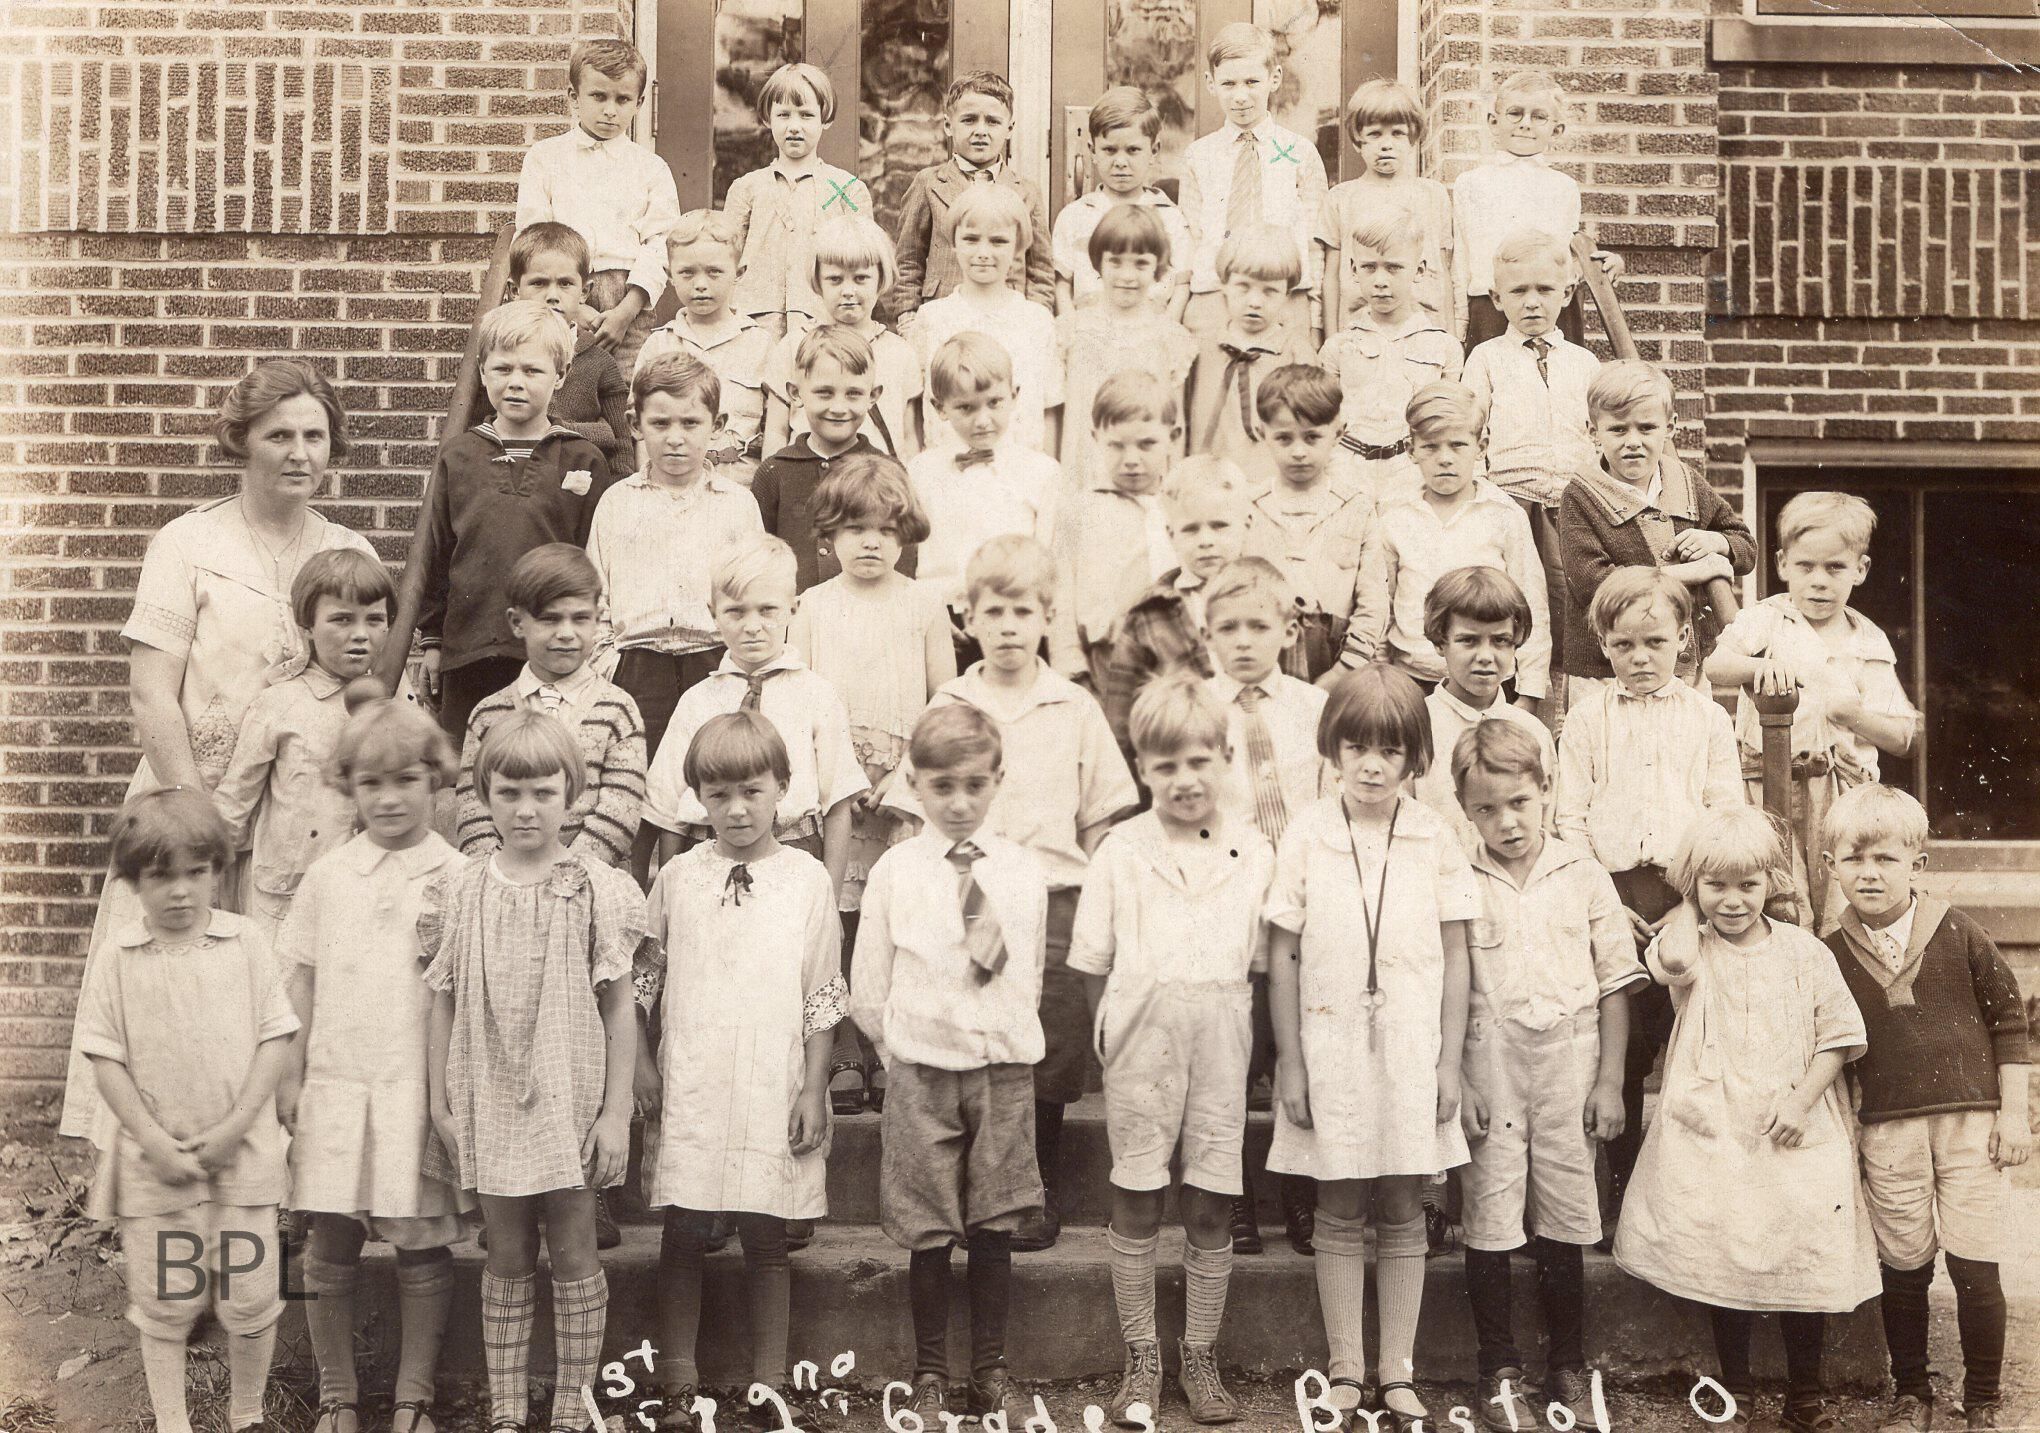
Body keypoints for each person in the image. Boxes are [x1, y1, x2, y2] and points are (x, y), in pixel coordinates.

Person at [62, 360, 379, 1148]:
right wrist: (195, 817)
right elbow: (152, 693)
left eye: (315, 436)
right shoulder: (188, 541)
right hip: (191, 795)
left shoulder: (346, 547)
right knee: (179, 983)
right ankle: (162, 1161)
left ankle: (280, 1174)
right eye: (280, 435)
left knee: (283, 991)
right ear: (243, 441)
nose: (300, 452)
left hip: (298, 819)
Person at [884, 536, 1140, 1254]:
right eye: (992, 612)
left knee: (1046, 1043)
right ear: (969, 617)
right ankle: (964, 1190)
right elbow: (913, 805)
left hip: (1052, 895)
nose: (1007, 627)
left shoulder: (1075, 705)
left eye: (1022, 612)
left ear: (1047, 617)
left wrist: (1095, 907)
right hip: (963, 889)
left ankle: (1034, 1189)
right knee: (974, 1038)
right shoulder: (952, 701)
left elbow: (1101, 817)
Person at [1614, 806, 1879, 1433]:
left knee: (1800, 1235)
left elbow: (1840, 1036)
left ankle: (1805, 1391)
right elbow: (1672, 961)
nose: (1732, 901)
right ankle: (1735, 1385)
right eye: (1715, 886)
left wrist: (1801, 1101)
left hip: (1792, 1119)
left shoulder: (1805, 953)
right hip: (1718, 1121)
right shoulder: (1692, 949)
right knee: (1723, 1238)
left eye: (1748, 885)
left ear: (1772, 883)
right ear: (1694, 888)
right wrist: (1687, 904)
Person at [422, 710, 646, 1433]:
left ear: (571, 795)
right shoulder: (463, 888)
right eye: (509, 793)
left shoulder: (597, 885)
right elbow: (443, 997)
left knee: (576, 1245)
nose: (526, 809)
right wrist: (442, 1105)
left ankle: (575, 1405)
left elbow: (619, 1006)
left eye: (544, 793)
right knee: (508, 1248)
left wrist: (615, 1112)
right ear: (484, 794)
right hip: (488, 1091)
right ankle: (508, 1407)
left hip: (569, 1094)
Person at [1265, 664, 1477, 1429]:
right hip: (1329, 1043)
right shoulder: (1307, 831)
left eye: (1391, 750)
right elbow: (1284, 952)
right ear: (1333, 748)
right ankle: (1346, 1367)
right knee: (1339, 1195)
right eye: (1357, 747)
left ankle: (1398, 1370)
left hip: (1412, 1044)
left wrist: (1448, 1062)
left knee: (1400, 1199)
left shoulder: (1434, 834)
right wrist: (1291, 1062)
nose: (1373, 766)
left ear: (1415, 756)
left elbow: (1456, 954)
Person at [1074, 678, 1274, 1426]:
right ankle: (1141, 1356)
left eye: (1198, 762)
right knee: (1136, 1189)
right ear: (1141, 768)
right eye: (1166, 766)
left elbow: (1265, 959)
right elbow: (1092, 961)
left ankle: (1199, 1353)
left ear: (1226, 758)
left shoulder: (1252, 849)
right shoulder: (1122, 849)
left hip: (1222, 1029)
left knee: (1213, 1194)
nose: (1185, 780)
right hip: (1143, 1033)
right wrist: (1115, 1034)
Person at [636, 713, 846, 1425]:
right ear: (696, 795)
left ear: (782, 786)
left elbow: (822, 992)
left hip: (771, 1078)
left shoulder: (807, 880)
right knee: (685, 1227)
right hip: (695, 1076)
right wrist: (640, 1061)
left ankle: (770, 1384)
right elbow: (644, 977)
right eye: (717, 793)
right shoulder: (677, 877)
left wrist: (814, 1086)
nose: (735, 809)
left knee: (766, 1230)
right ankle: (677, 1380)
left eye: (752, 791)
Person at [852, 703, 1052, 1427]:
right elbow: (869, 980)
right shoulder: (896, 871)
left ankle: (990, 1370)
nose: (960, 802)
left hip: (1001, 1070)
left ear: (998, 779)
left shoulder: (1021, 871)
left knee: (995, 1220)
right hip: (921, 1072)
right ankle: (931, 1371)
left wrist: (1000, 1039)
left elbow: (1026, 972)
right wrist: (897, 1051)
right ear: (915, 784)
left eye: (974, 785)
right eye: (942, 787)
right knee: (929, 1224)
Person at [77, 788, 297, 1433]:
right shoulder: (120, 958)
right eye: (160, 876)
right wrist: (153, 1140)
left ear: (217, 871)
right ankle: (172, 1421)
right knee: (168, 1302)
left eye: (195, 872)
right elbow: (105, 1059)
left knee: (250, 1297)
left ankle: (247, 1414)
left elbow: (275, 1039)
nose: (179, 891)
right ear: (132, 881)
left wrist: (234, 1129)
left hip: (241, 1162)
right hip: (159, 1169)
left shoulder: (245, 942)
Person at [278, 700, 468, 1433]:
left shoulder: (458, 876)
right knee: (331, 1234)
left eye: (406, 780)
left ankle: (414, 1398)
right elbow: (298, 982)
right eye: (371, 783)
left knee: (420, 1235)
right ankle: (339, 1396)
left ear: (436, 779)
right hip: (338, 1080)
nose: (389, 799)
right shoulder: (329, 876)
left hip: (413, 1086)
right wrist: (291, 1075)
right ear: (348, 787)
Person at [1820, 784, 2030, 1433]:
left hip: (1972, 1123)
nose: (1870, 873)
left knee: (1975, 1263)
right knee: (1905, 1265)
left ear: (1918, 864)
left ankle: (1983, 1399)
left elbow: (2010, 1022)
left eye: (1886, 858)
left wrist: (2015, 1114)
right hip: (1888, 1130)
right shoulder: (1829, 953)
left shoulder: (1958, 930)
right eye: (1854, 859)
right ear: (1830, 866)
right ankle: (1912, 1393)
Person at [1452, 720, 1642, 1427]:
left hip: (1570, 1060)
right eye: (1486, 808)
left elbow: (1615, 985)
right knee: (1491, 1207)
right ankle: (1497, 1368)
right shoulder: (1459, 878)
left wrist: (1610, 1080)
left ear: (1546, 792)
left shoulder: (1583, 875)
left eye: (1519, 803)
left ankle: (1567, 1362)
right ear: (1465, 809)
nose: (1506, 822)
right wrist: (1461, 1079)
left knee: (1565, 1206)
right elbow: (1449, 985)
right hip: (1490, 1060)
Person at [1556, 568, 1745, 1231]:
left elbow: (1725, 815)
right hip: (1609, 895)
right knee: (1623, 1046)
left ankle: (1687, 1203)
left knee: (1692, 1042)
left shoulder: (1708, 719)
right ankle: (1619, 1196)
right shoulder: (1587, 720)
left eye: (1655, 642)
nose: (1640, 658)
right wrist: (1602, 902)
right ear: (1603, 644)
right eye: (1624, 644)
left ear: (1684, 638)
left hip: (1687, 893)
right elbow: (1569, 819)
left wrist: (1694, 903)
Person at [788, 455, 955, 1111]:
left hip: (902, 789)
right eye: (856, 529)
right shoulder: (812, 607)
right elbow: (799, 700)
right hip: (838, 788)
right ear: (828, 535)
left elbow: (944, 699)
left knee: (897, 916)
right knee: (842, 913)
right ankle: (845, 1049)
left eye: (886, 530)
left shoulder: (923, 605)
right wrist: (841, 780)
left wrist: (906, 778)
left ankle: (891, 1044)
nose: (871, 543)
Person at [1704, 491, 1920, 928]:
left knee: (1838, 906)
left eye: (1835, 567)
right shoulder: (1766, 619)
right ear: (1783, 564)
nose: (1819, 581)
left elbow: (1902, 737)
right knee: (1780, 896)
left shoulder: (1867, 639)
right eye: (1805, 567)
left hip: (1840, 793)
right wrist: (1762, 666)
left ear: (1860, 570)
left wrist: (1853, 715)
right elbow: (1716, 666)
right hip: (1766, 786)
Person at [414, 299, 616, 738]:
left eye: (532, 370)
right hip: (470, 648)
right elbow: (438, 553)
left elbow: (597, 561)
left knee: (546, 761)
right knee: (472, 764)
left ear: (561, 375)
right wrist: (432, 642)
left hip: (554, 652)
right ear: (482, 371)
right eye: (503, 369)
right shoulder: (459, 456)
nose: (516, 383)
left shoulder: (582, 458)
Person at [1201, 558, 1327, 1258]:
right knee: (1230, 1058)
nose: (1244, 640)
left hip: (1302, 910)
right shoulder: (1197, 708)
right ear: (1207, 635)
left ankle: (1300, 1194)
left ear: (1288, 630)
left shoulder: (1312, 708)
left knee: (1298, 1053)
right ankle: (1233, 1196)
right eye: (1228, 628)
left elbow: (1331, 801)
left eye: (1258, 625)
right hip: (1227, 910)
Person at [642, 538, 867, 895]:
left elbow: (838, 806)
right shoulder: (697, 700)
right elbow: (670, 810)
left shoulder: (818, 696)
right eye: (735, 612)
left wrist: (830, 900)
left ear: (793, 608)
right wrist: (672, 899)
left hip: (794, 854)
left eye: (767, 610)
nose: (752, 626)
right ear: (713, 613)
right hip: (706, 854)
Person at [585, 353, 764, 769]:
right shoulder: (617, 503)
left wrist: (741, 667)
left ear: (717, 426)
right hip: (636, 667)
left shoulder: (738, 505)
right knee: (635, 779)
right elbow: (595, 598)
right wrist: (612, 668)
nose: (675, 438)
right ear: (635, 425)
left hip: (714, 664)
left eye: (691, 423)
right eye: (660, 424)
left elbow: (755, 591)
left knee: (713, 776)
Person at [212, 548, 394, 944]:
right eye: (342, 619)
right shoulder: (279, 704)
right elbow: (234, 802)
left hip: (367, 897)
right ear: (307, 625)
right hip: (284, 900)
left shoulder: (396, 706)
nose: (360, 634)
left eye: (375, 619)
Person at [1344, 383, 1550, 712]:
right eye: (1430, 447)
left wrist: (1529, 693)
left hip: (1489, 683)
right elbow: (1381, 604)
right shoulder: (1394, 514)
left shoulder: (1504, 515)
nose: (1444, 459)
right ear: (1411, 449)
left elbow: (1532, 606)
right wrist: (1381, 675)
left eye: (1457, 445)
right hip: (1414, 680)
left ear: (1481, 446)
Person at [1557, 361, 1756, 698]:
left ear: (1670, 427)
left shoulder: (1686, 481)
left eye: (1647, 428)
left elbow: (1746, 547)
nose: (1633, 441)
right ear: (1593, 432)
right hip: (1605, 674)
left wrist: (1716, 542)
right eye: (1618, 430)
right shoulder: (1581, 496)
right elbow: (1594, 583)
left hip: (1683, 667)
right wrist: (1695, 571)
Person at [454, 544, 646, 871]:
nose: (566, 634)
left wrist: (566, 874)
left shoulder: (618, 710)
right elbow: (474, 810)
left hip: (588, 880)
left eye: (580, 618)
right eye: (550, 619)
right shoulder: (489, 714)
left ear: (597, 619)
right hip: (507, 879)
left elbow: (620, 810)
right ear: (517, 622)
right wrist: (499, 875)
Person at [1460, 230, 1597, 680]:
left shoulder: (1584, 363)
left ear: (1567, 293)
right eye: (1519, 291)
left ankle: (1564, 700)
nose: (1532, 303)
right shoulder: (1486, 359)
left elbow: (1597, 436)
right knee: (1512, 601)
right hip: (1513, 501)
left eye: (1544, 290)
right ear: (1497, 299)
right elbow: (1472, 431)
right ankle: (1512, 694)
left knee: (1568, 602)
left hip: (1572, 504)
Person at [514, 38, 678, 379]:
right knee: (561, 386)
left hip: (629, 299)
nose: (610, 110)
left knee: (627, 387)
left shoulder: (651, 168)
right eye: (598, 96)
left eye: (623, 99)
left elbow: (661, 243)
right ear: (574, 97)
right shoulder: (545, 157)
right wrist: (574, 306)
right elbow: (533, 236)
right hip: (559, 291)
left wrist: (626, 312)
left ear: (640, 102)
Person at [908, 331, 1065, 667]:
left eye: (994, 403)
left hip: (1013, 618)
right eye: (965, 407)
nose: (982, 420)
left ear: (1014, 395)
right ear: (939, 408)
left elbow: (1048, 560)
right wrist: (928, 613)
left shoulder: (1042, 472)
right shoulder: (921, 471)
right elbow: (909, 554)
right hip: (942, 621)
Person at [1094, 457, 1251, 766]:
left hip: (1258, 759)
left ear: (1246, 524)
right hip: (1183, 766)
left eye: (1219, 526)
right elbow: (1121, 724)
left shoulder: (1270, 599)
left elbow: (1294, 693)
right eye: (1191, 530)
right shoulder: (1147, 616)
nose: (1206, 541)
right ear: (1170, 534)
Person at [1450, 69, 1622, 349]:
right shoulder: (1471, 183)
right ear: (1493, 121)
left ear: (1556, 130)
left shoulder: (1563, 187)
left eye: (1538, 117)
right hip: (1491, 307)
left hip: (1551, 307)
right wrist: (1460, 324)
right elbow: (1461, 261)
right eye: (1515, 114)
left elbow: (1566, 256)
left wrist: (1601, 265)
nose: (1525, 124)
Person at [1177, 22, 1326, 340]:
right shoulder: (1198, 157)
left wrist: (1315, 320)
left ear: (1275, 78)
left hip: (1284, 298)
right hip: (1212, 297)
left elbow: (1314, 244)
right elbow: (1189, 240)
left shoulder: (1300, 153)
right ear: (1211, 83)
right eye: (1228, 84)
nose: (1240, 96)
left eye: (1252, 82)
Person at [1242, 364, 1383, 680]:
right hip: (1262, 664)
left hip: (1336, 664)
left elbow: (1373, 601)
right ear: (1262, 433)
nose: (1298, 452)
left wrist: (1343, 671)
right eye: (1284, 438)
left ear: (1338, 433)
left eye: (1312, 437)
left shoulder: (1356, 508)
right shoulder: (1248, 507)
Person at [906, 182, 1064, 453]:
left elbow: (1050, 409)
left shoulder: (1036, 321)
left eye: (998, 241)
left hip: (1021, 469)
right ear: (953, 242)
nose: (983, 253)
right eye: (971, 239)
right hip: (948, 466)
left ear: (1018, 246)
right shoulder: (932, 319)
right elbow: (914, 406)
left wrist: (1046, 469)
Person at [1408, 567, 1556, 855]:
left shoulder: (1532, 731)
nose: (1486, 656)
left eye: (1500, 640)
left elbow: (1547, 826)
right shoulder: (1416, 727)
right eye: (1469, 640)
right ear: (1440, 642)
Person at [723, 62, 875, 341]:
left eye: (806, 115)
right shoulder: (746, 188)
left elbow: (864, 265)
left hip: (824, 321)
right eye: (783, 115)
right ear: (767, 119)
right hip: (754, 322)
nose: (794, 126)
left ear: (825, 119)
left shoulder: (847, 190)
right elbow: (726, 259)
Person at [891, 70, 1054, 323]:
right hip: (945, 315)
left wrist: (1034, 319)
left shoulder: (1026, 191)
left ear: (1009, 128)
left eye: (992, 122)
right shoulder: (929, 183)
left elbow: (1040, 271)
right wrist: (908, 318)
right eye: (969, 120)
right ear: (948, 125)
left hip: (1007, 318)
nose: (980, 131)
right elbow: (908, 261)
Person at [1317, 210, 1463, 493]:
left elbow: (1449, 423)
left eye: (1394, 267)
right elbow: (1324, 421)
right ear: (1353, 269)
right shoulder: (1338, 347)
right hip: (1348, 472)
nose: (1380, 280)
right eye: (1369, 267)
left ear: (1419, 270)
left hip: (1413, 475)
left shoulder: (1444, 347)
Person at [1056, 203, 1198, 494]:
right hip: (1082, 479)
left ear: (1158, 267)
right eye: (1116, 262)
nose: (1127, 275)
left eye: (1140, 263)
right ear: (1098, 262)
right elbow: (1057, 416)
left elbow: (1176, 423)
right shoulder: (1071, 330)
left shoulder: (1170, 338)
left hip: (1144, 482)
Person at [1056, 371, 1191, 674]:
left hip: (1178, 659)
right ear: (1096, 438)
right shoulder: (1080, 511)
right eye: (1116, 445)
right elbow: (1061, 600)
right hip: (1105, 658)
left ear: (1173, 438)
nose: (1131, 459)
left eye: (1146, 444)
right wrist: (1072, 671)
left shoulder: (1183, 507)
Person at [636, 210, 778, 485]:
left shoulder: (761, 345)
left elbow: (776, 430)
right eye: (687, 273)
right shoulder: (658, 345)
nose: (700, 284)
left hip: (741, 487)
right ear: (669, 275)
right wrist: (648, 489)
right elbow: (642, 433)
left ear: (739, 272)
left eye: (714, 272)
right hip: (670, 487)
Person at [763, 214, 922, 459]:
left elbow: (910, 437)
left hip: (878, 477)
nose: (848, 291)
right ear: (818, 281)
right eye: (835, 279)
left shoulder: (900, 352)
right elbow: (776, 430)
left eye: (861, 278)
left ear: (880, 279)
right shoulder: (794, 346)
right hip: (809, 476)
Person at [752, 325, 892, 593]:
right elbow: (758, 563)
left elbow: (902, 562)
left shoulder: (887, 472)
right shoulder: (774, 473)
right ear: (795, 393)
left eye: (853, 393)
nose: (838, 408)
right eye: (824, 393)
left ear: (873, 396)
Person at [1316, 80, 1456, 339]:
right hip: (1358, 332)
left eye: (1398, 133)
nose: (1386, 144)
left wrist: (1450, 336)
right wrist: (1332, 338)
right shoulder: (1341, 198)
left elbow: (1443, 272)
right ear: (1358, 141)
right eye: (1375, 134)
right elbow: (1331, 277)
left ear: (1413, 139)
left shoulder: (1432, 195)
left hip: (1423, 330)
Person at [1184, 224, 1317, 489]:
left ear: (1287, 295)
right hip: (1208, 486)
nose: (1255, 301)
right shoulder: (1201, 350)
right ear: (1224, 286)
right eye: (1243, 287)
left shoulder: (1296, 353)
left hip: (1271, 486)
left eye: (1269, 291)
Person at [1051, 86, 1193, 317]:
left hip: (1149, 330)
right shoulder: (1074, 216)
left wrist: (1166, 329)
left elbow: (1181, 284)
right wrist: (1071, 329)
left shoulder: (1170, 217)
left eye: (1133, 150)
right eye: (1109, 150)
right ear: (1092, 151)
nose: (1120, 162)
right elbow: (1062, 285)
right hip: (1089, 331)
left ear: (1154, 150)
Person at [505, 222, 633, 467]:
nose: (552, 296)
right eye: (539, 283)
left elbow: (620, 449)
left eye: (565, 284)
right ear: (514, 291)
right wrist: (596, 431)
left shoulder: (601, 362)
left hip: (581, 481)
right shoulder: (502, 355)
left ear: (584, 292)